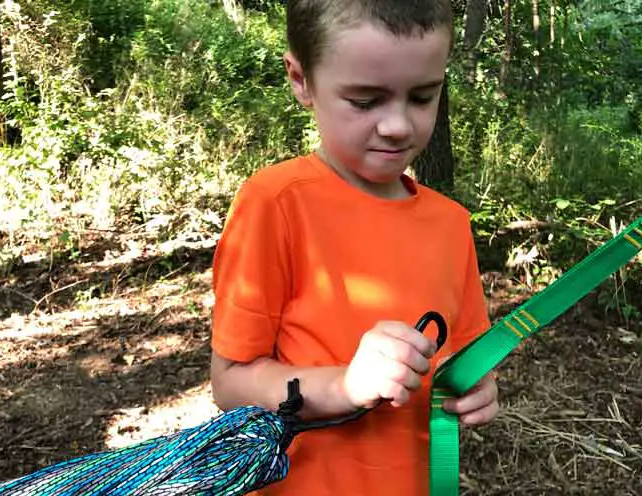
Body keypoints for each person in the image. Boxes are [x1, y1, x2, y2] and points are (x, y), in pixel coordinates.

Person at [209, 1, 498, 494]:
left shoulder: (450, 224)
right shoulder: (275, 204)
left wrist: (475, 386)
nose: (398, 126)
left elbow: (462, 357)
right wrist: (344, 386)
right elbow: (230, 384)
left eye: (423, 96)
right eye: (366, 101)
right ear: (301, 79)